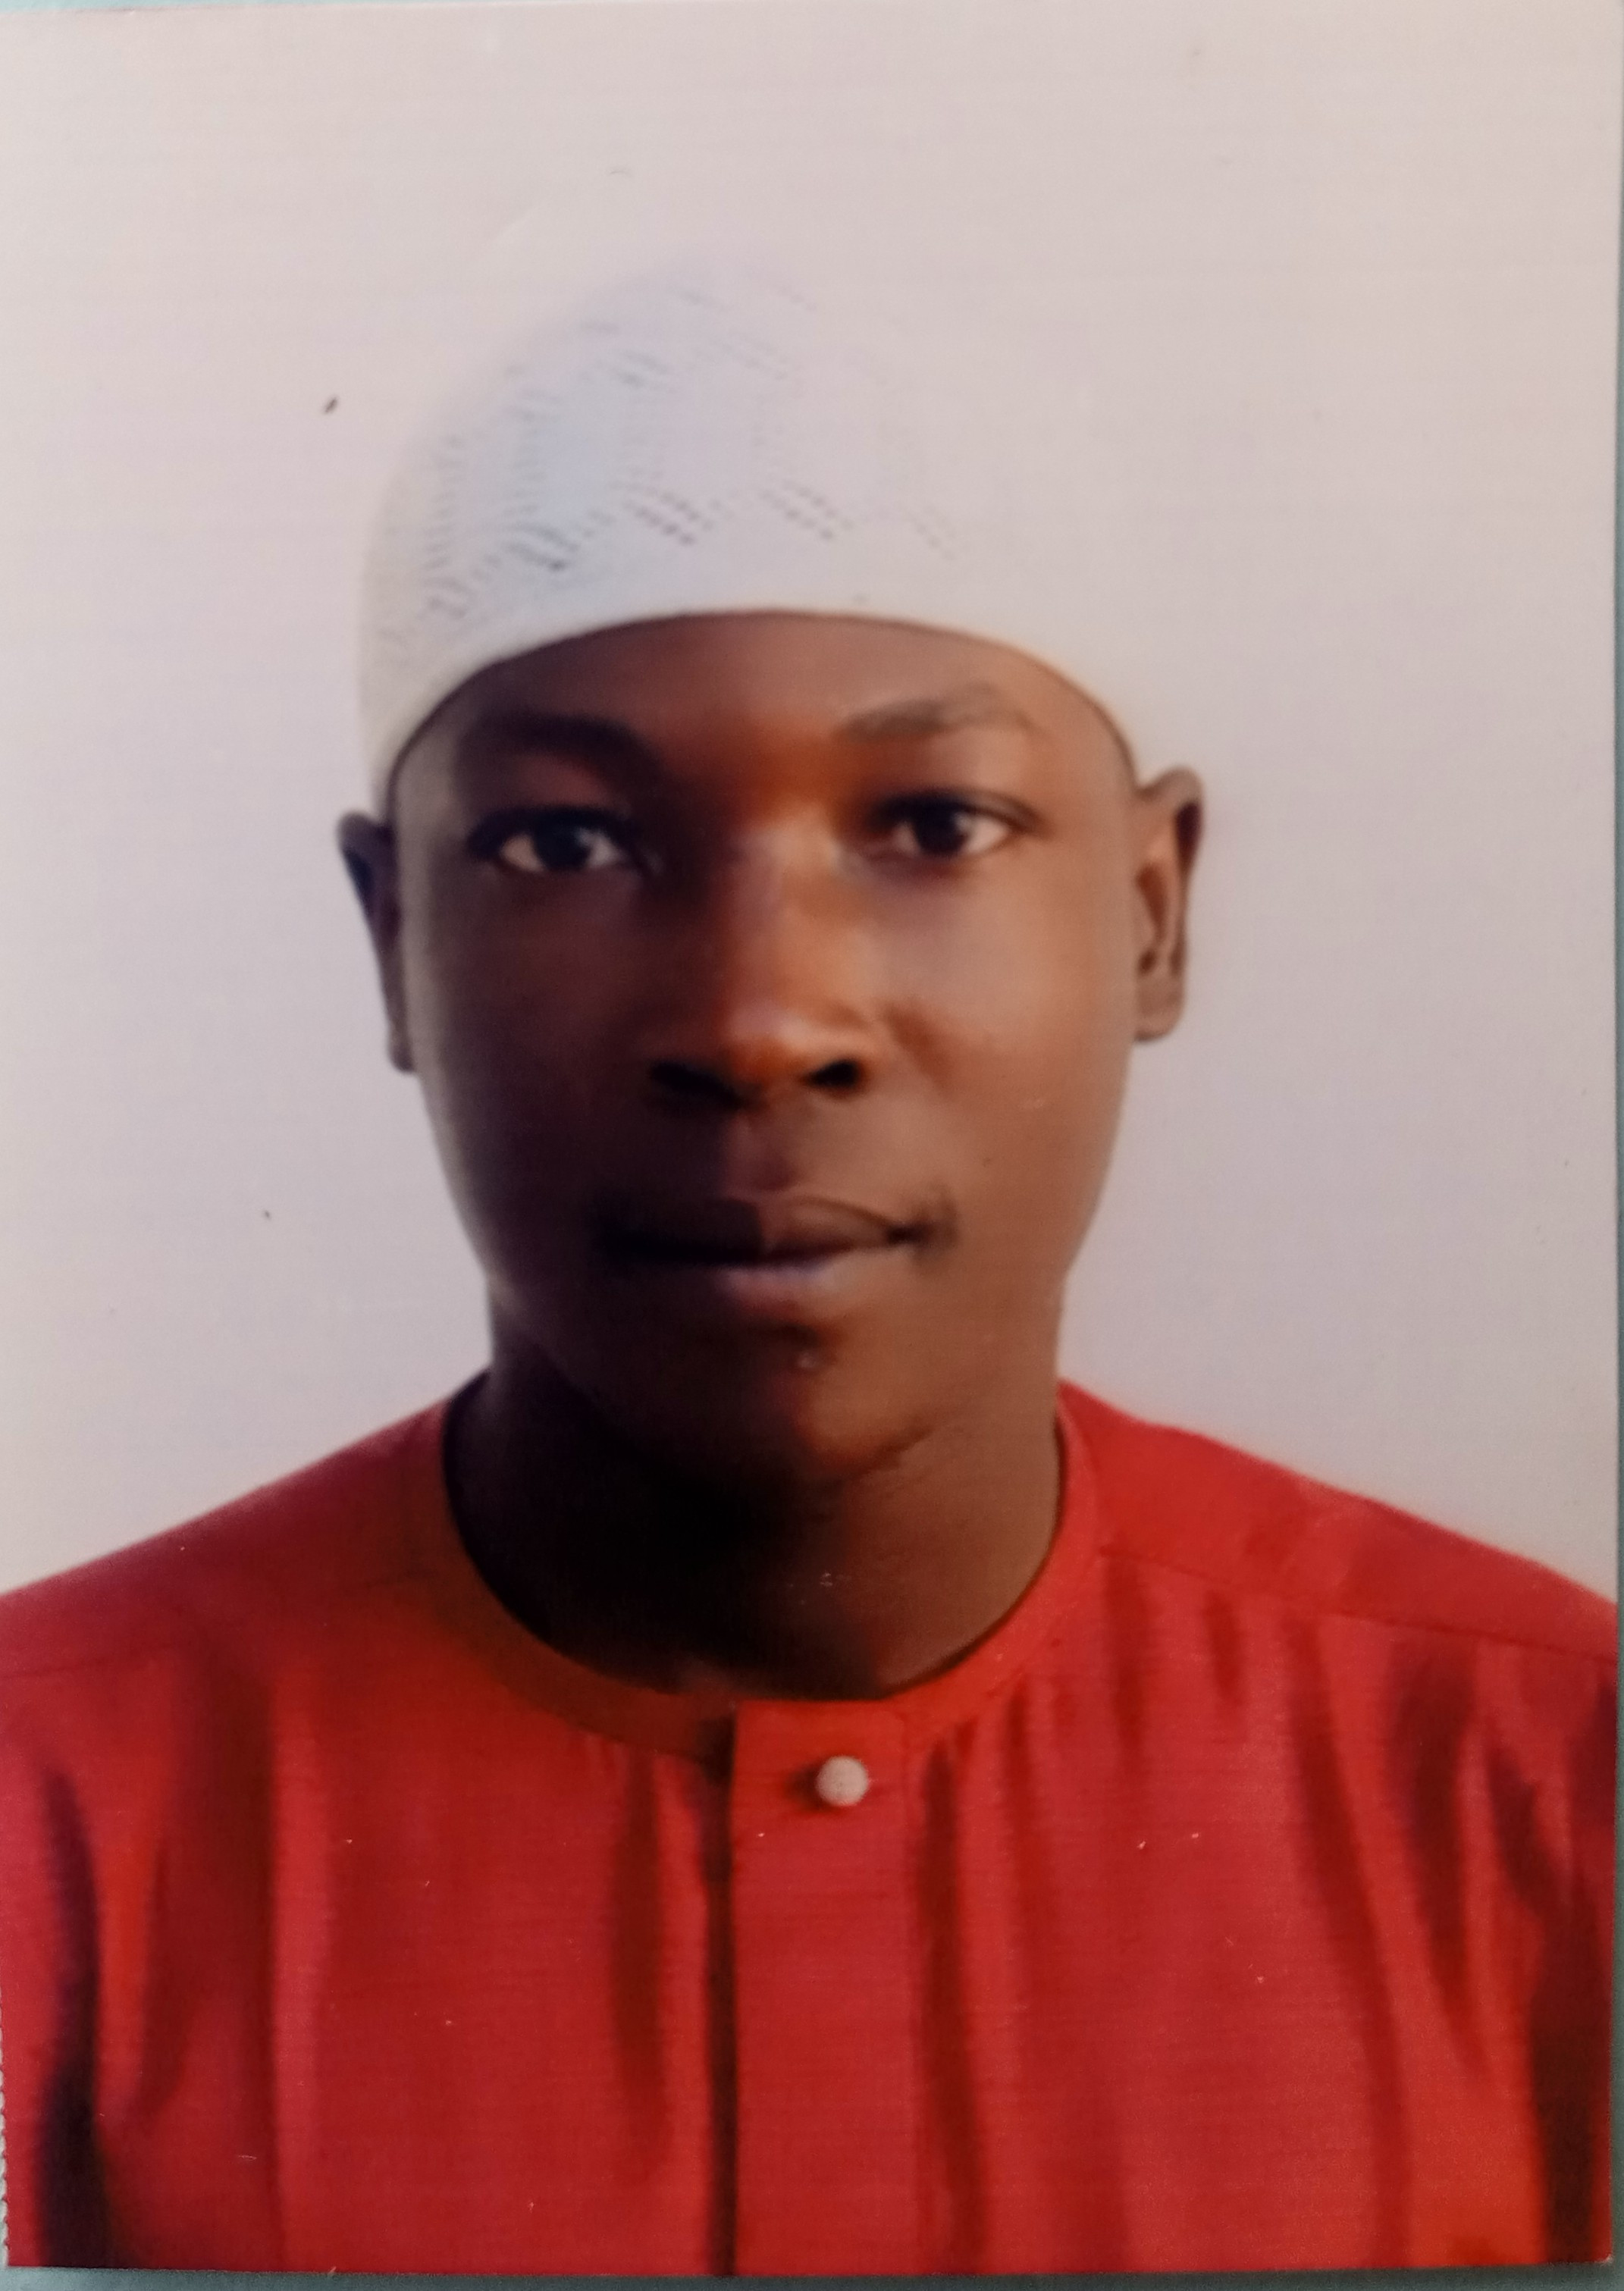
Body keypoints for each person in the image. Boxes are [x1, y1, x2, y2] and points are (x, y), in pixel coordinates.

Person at [0, 270, 1613, 2274]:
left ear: (1150, 911)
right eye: (566, 845)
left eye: (934, 824)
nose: (763, 1020)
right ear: (390, 935)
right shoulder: (41, 1816)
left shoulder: (1557, 1783)